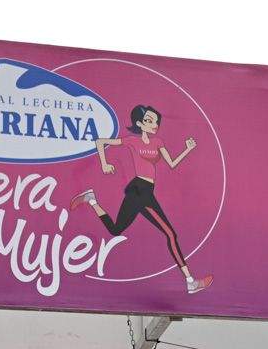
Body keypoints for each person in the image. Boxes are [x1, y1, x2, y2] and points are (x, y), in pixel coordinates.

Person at [69, 103, 213, 295]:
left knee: (115, 229)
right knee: (171, 234)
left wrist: (187, 149)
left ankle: (92, 199)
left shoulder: (158, 142)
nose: (154, 124)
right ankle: (190, 282)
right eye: (149, 120)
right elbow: (100, 142)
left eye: (156, 121)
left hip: (145, 191)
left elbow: (171, 164)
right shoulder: (132, 141)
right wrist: (105, 163)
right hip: (140, 190)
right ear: (140, 123)